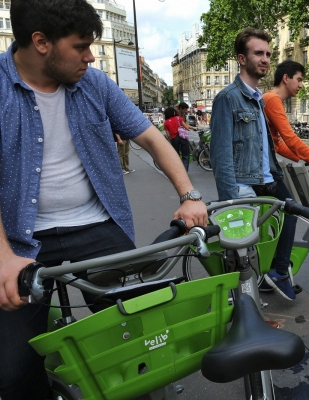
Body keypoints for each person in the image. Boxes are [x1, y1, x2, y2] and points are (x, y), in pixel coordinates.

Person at [0, 1, 208, 399]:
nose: (91, 56)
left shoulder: (94, 84)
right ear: (41, 42)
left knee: (143, 337)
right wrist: (3, 256)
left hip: (96, 224)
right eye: (80, 46)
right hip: (18, 240)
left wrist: (190, 194)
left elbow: (149, 137)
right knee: (12, 373)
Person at [210, 27, 298, 301]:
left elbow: (264, 144)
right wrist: (230, 200)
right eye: (258, 53)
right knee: (244, 248)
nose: (265, 59)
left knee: (291, 212)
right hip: (243, 184)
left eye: (268, 54)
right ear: (241, 58)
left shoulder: (258, 99)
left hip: (265, 178)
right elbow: (221, 153)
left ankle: (276, 273)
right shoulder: (228, 98)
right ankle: (242, 303)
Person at [164, 104, 197, 171]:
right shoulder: (178, 118)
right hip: (182, 138)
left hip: (174, 139)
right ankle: (185, 171)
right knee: (185, 155)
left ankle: (177, 170)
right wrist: (192, 128)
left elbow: (168, 135)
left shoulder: (166, 122)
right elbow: (187, 127)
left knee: (176, 155)